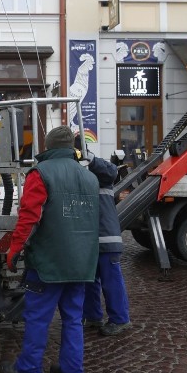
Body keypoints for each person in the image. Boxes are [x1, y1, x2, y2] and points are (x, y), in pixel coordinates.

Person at [0, 125, 99, 373]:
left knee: (38, 317)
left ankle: (30, 368)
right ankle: (72, 371)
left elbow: (29, 218)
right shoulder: (89, 177)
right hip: (82, 263)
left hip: (48, 263)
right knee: (74, 318)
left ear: (48, 146)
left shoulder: (41, 173)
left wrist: (14, 250)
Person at [77, 137, 132, 336]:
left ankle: (120, 319)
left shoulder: (101, 172)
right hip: (89, 241)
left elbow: (112, 171)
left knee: (111, 281)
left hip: (106, 239)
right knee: (89, 282)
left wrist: (89, 157)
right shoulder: (81, 174)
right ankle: (93, 317)